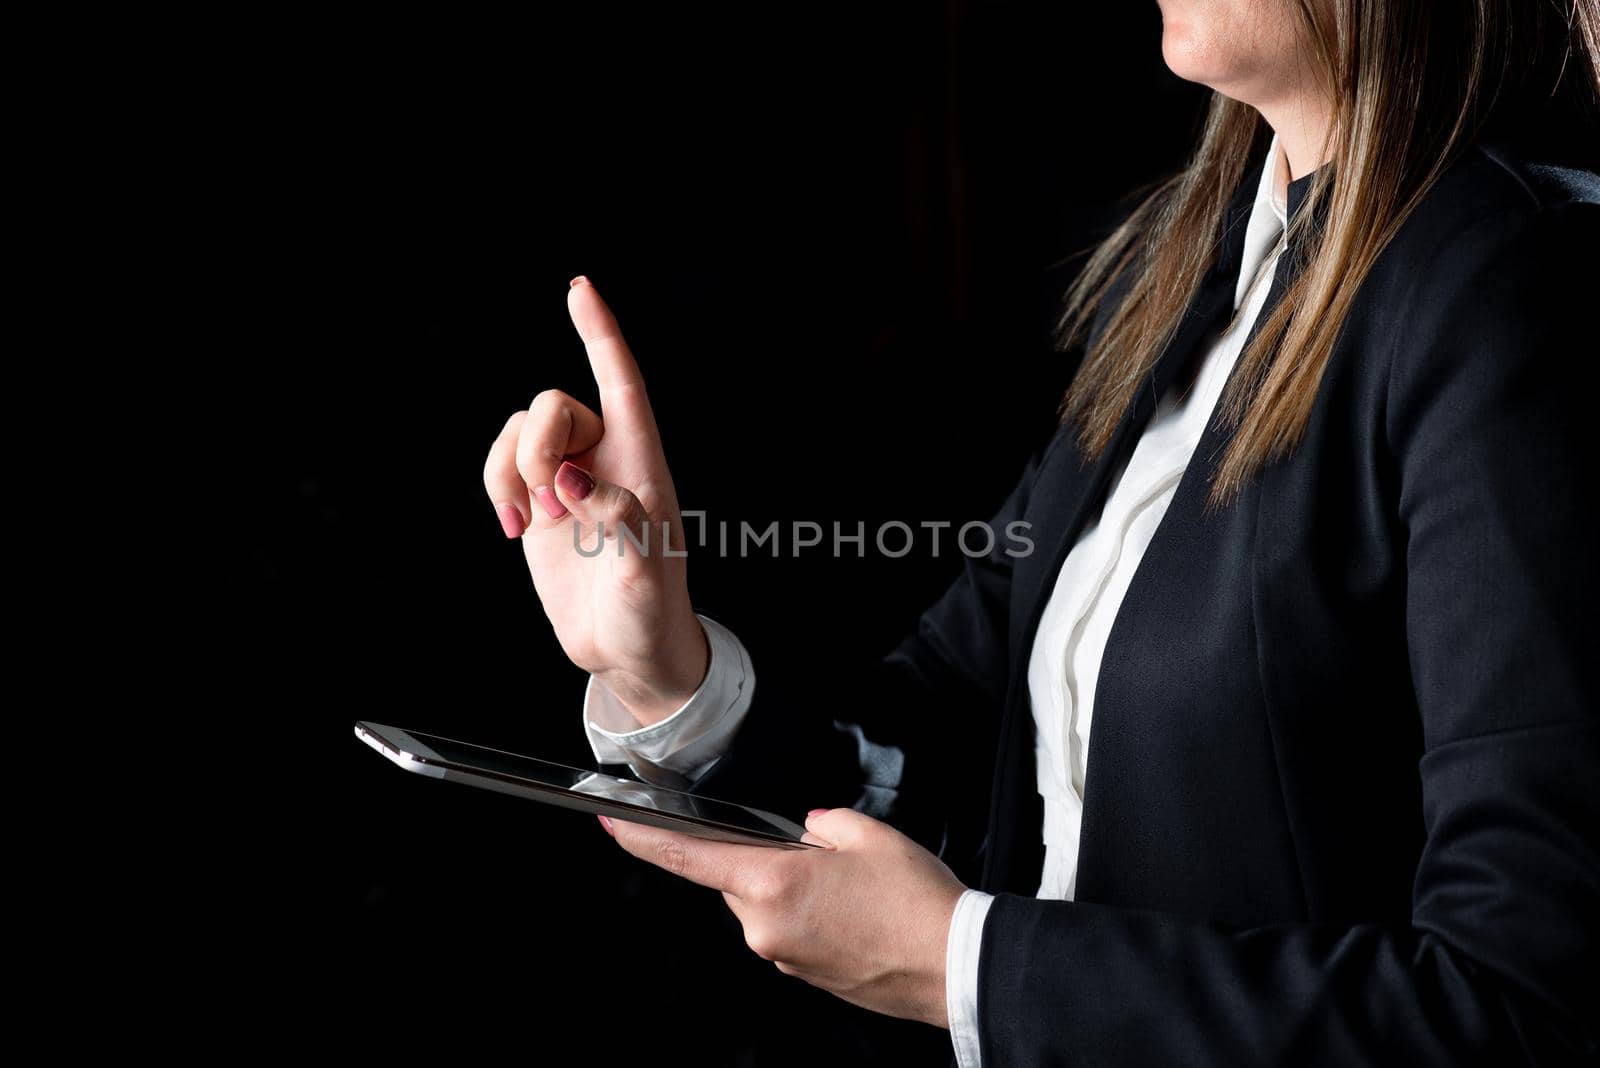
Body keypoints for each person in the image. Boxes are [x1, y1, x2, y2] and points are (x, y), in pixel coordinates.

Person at [482, 1, 1600, 1063]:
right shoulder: (1186, 272)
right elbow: (945, 752)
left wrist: (963, 969)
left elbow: (1520, 1004)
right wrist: (665, 666)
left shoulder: (1510, 291)